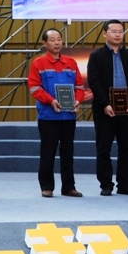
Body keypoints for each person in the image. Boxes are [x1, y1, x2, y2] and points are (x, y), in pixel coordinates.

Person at [87, 19, 128, 196]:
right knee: (104, 148)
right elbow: (94, 82)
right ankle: (106, 184)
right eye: (113, 31)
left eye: (120, 31)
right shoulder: (96, 56)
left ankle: (124, 184)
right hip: (105, 110)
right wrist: (105, 104)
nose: (118, 34)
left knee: (127, 148)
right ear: (105, 34)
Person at [28, 28, 86, 198]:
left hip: (68, 115)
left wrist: (78, 100)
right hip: (48, 115)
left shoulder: (71, 62)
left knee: (68, 153)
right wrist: (50, 100)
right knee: (48, 152)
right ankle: (47, 187)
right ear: (44, 43)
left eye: (59, 39)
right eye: (52, 40)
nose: (57, 43)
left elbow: (80, 86)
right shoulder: (38, 63)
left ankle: (69, 187)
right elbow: (34, 87)